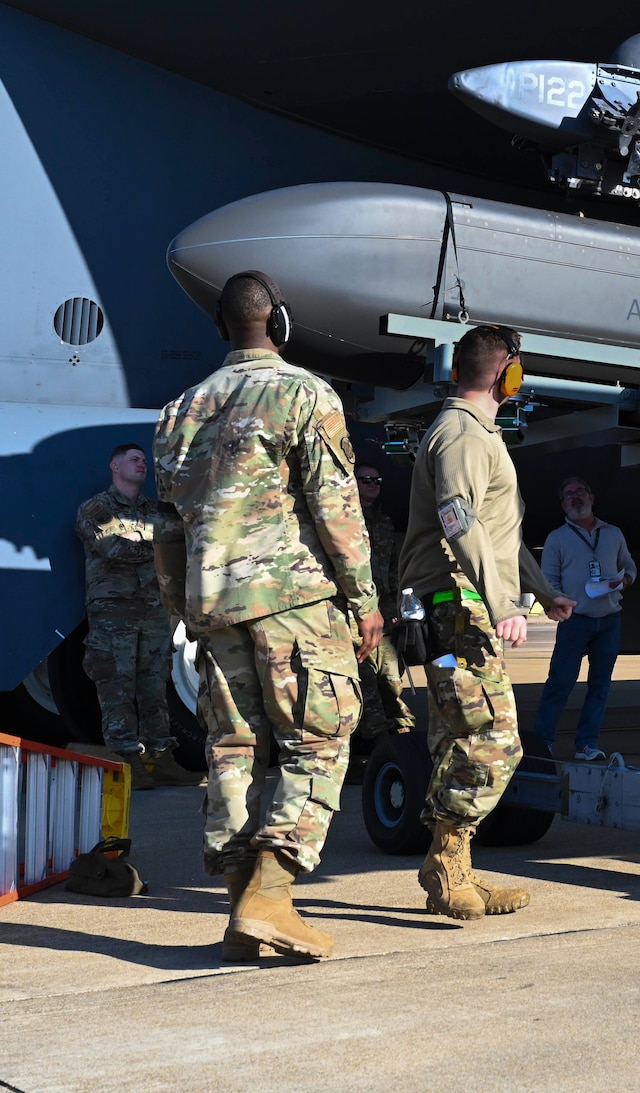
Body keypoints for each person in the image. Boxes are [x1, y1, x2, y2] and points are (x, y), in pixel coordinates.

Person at [153, 270, 382, 961]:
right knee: (319, 741)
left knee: (231, 751)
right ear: (278, 320)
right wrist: (365, 600)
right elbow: (337, 508)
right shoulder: (307, 394)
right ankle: (272, 894)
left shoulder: (180, 410)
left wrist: (185, 607)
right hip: (294, 603)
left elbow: (168, 530)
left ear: (223, 326)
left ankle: (238, 908)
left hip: (214, 606)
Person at [398, 324, 574, 922]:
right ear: (509, 373)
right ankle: (447, 865)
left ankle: (455, 867)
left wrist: (542, 591)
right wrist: (502, 604)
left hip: (454, 610)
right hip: (456, 610)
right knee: (496, 739)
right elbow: (459, 519)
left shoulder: (475, 435)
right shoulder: (463, 437)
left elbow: (500, 536)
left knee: (456, 733)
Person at [73, 443, 202, 788]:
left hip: (154, 610)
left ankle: (161, 758)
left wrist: (141, 536)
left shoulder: (153, 509)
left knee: (154, 685)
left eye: (144, 460)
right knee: (117, 684)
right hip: (114, 613)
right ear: (114, 466)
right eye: (134, 459)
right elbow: (112, 548)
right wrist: (154, 542)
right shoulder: (97, 508)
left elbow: (181, 545)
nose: (142, 463)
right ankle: (126, 760)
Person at [536, 477, 638, 762]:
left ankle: (587, 743)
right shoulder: (557, 538)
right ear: (563, 505)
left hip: (609, 620)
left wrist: (626, 579)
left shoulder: (613, 533)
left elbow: (628, 564)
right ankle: (543, 740)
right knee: (560, 683)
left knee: (600, 685)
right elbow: (548, 581)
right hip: (575, 620)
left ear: (591, 497)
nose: (575, 498)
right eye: (568, 495)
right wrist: (553, 604)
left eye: (579, 491)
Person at [353, 462, 416, 748]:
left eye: (376, 479)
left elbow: (392, 567)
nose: (372, 483)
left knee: (391, 681)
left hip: (385, 614)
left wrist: (394, 610)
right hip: (356, 618)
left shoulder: (383, 522)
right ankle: (377, 746)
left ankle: (403, 739)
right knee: (365, 684)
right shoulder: (345, 521)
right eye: (365, 479)